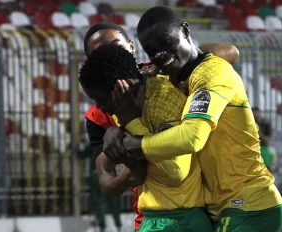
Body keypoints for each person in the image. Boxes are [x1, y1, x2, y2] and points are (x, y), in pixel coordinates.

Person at [105, 6, 282, 232]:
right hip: (223, 207)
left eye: (166, 41)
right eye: (151, 51)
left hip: (248, 204)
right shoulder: (175, 78)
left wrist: (138, 143)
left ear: (185, 30)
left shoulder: (211, 74)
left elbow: (192, 136)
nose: (161, 53)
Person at [82, 22, 240, 231]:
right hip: (154, 215)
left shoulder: (164, 74)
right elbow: (106, 180)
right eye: (100, 53)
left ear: (131, 47)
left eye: (115, 46)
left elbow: (229, 52)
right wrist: (129, 175)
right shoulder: (98, 115)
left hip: (207, 205)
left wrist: (165, 63)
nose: (109, 53)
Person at [77, 144, 122, 232]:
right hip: (110, 174)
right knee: (113, 201)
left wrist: (75, 147)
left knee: (99, 201)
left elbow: (81, 155)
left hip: (97, 174)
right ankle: (118, 225)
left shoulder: (93, 144)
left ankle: (102, 225)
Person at [252, 107, 275, 171]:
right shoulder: (248, 126)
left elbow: (267, 141)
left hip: (264, 156)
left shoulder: (265, 125)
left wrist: (258, 131)